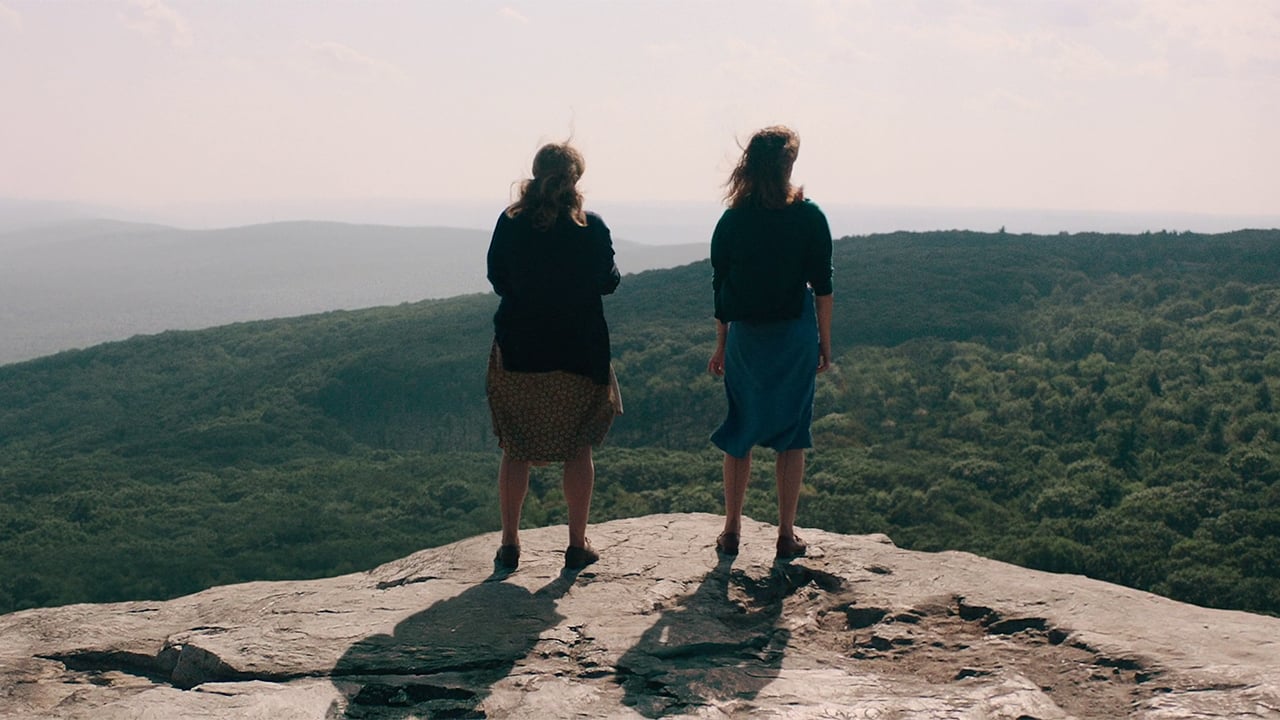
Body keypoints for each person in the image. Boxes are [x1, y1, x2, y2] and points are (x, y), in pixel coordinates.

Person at [485, 142, 622, 572]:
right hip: (580, 351)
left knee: (516, 446)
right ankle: (576, 545)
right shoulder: (591, 227)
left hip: (520, 349)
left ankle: (510, 544)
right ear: (575, 180)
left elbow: (497, 277)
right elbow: (608, 281)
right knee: (578, 447)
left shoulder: (510, 223)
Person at [706, 125, 834, 560]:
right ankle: (784, 533)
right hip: (795, 333)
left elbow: (721, 286)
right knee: (792, 432)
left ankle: (731, 532)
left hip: (746, 337)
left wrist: (721, 343)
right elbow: (823, 286)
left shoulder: (733, 219)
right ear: (788, 166)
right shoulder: (809, 216)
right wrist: (824, 342)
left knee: (741, 428)